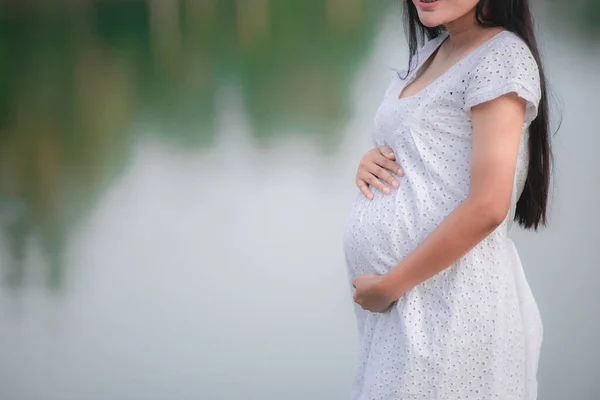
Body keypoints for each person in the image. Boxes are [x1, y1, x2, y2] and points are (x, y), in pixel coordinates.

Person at [342, 0, 553, 399]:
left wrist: (390, 286)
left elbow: (489, 205)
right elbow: (424, 153)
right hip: (406, 312)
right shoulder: (433, 51)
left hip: (450, 310)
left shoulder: (501, 57)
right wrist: (372, 162)